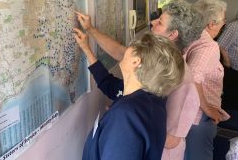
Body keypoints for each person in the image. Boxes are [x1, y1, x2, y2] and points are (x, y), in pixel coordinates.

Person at [75, 0, 203, 160]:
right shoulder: (146, 80)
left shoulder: (184, 83)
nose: (152, 22)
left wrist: (124, 123)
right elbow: (112, 82)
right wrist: (90, 35)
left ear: (172, 35)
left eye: (160, 22)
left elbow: (172, 140)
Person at [74, 30, 185, 160]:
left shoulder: (125, 116)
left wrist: (118, 116)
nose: (126, 48)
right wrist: (86, 48)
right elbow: (108, 83)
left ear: (135, 62)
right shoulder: (152, 98)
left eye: (132, 46)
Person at [184, 0, 230, 160]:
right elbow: (193, 75)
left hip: (188, 117)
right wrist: (207, 108)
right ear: (212, 23)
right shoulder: (209, 46)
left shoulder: (191, 37)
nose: (224, 24)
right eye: (224, 20)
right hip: (199, 118)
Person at [218, 13, 238, 110]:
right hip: (233, 69)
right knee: (231, 99)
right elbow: (220, 45)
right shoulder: (234, 26)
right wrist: (227, 61)